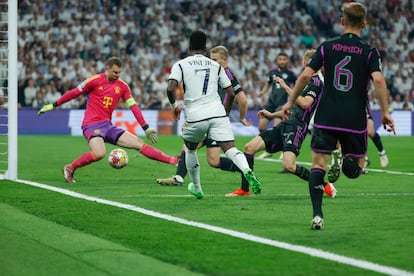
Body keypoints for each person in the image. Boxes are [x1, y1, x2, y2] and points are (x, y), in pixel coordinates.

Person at [281, 2, 395, 230]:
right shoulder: (370, 50)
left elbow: (304, 75)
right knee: (357, 168)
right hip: (355, 118)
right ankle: (344, 162)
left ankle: (317, 215)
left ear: (342, 22)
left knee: (317, 165)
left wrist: (290, 101)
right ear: (364, 24)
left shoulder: (326, 47)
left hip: (327, 115)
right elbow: (379, 81)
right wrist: (384, 112)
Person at [37, 56, 179, 183]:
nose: (117, 75)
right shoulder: (94, 81)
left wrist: (145, 127)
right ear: (107, 68)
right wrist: (53, 105)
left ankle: (173, 160)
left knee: (139, 143)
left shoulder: (123, 86)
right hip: (91, 124)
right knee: (99, 153)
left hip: (108, 126)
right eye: (115, 72)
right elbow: (74, 93)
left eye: (119, 72)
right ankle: (70, 168)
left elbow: (133, 107)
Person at [225, 49, 336, 198]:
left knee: (288, 166)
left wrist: (285, 87)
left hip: (296, 128)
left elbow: (304, 104)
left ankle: (324, 185)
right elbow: (291, 109)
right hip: (284, 124)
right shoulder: (302, 81)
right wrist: (272, 114)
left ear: (307, 63)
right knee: (249, 148)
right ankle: (245, 190)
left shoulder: (316, 84)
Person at [166, 30, 262, 199]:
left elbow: (170, 88)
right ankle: (246, 169)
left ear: (189, 47)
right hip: (217, 113)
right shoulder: (216, 66)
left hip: (196, 115)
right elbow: (231, 93)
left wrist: (174, 106)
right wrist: (225, 112)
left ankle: (196, 187)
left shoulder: (180, 64)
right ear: (205, 47)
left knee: (189, 149)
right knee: (231, 148)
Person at [156, 45, 250, 187]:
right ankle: (179, 178)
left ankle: (244, 170)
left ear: (224, 60)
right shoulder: (212, 70)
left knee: (212, 160)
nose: (210, 61)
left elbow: (242, 99)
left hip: (213, 118)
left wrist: (239, 117)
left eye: (214, 59)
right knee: (189, 149)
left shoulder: (226, 74)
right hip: (210, 117)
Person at [257, 52, 297, 160]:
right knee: (261, 127)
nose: (282, 61)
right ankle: (269, 150)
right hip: (271, 103)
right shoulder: (272, 72)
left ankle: (283, 151)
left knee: (277, 128)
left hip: (282, 104)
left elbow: (297, 86)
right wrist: (262, 92)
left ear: (287, 61)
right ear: (277, 61)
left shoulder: (291, 74)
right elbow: (268, 83)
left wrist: (292, 99)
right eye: (280, 59)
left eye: (284, 59)